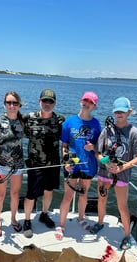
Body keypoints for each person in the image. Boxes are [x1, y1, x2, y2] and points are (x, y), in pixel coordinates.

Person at [91, 96, 137, 250]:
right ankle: (100, 223)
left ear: (129, 112)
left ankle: (127, 235)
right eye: (116, 112)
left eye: (122, 111)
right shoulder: (107, 130)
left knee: (122, 206)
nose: (119, 114)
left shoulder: (134, 132)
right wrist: (104, 162)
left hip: (122, 176)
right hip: (104, 173)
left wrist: (122, 168)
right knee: (101, 200)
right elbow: (97, 152)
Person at [55, 91, 101, 240]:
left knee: (83, 195)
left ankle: (81, 218)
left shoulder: (96, 124)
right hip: (72, 163)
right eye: (85, 100)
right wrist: (66, 160)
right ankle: (61, 225)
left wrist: (92, 147)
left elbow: (99, 146)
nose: (87, 104)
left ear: (94, 106)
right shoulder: (69, 122)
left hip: (88, 165)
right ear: (81, 101)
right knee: (67, 196)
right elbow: (64, 145)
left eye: (90, 102)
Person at [23, 89, 64, 238]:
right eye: (44, 100)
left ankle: (44, 214)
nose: (47, 104)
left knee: (49, 190)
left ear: (55, 103)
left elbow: (66, 140)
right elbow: (18, 135)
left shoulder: (60, 120)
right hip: (35, 164)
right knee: (31, 194)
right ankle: (27, 220)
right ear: (39, 101)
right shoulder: (29, 118)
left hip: (53, 164)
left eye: (50, 101)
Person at [0, 91, 25, 237]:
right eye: (9, 102)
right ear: (4, 104)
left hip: (18, 166)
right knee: (0, 196)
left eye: (15, 103)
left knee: (15, 194)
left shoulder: (22, 122)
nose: (12, 106)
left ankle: (13, 219)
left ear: (19, 105)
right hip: (2, 166)